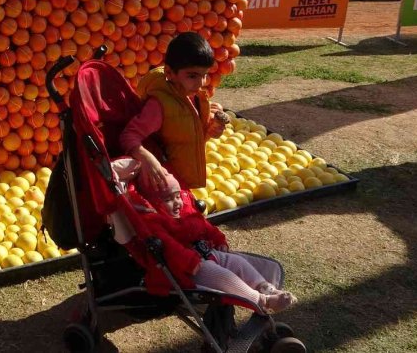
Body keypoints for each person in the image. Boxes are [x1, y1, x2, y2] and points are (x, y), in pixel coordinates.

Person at [128, 165, 297, 313]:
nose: (177, 202)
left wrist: (219, 239)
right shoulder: (154, 221)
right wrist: (189, 262)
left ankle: (266, 288)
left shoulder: (185, 213)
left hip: (208, 253)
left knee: (237, 262)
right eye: (168, 199)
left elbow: (206, 226)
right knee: (224, 277)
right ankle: (262, 301)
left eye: (178, 196)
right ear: (154, 202)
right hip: (189, 269)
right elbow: (169, 246)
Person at [120, 32, 227, 191]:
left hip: (185, 182)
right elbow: (128, 136)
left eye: (204, 75)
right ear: (169, 73)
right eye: (192, 76)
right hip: (167, 185)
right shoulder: (159, 105)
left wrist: (211, 129)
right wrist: (146, 158)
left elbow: (189, 135)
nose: (200, 83)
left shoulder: (194, 97)